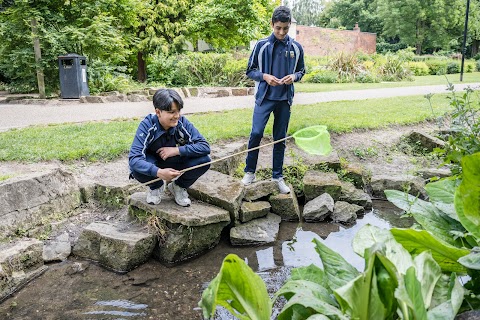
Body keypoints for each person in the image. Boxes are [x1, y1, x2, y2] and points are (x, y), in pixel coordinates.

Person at [242, 5, 305, 194]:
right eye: (278, 28)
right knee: (256, 134)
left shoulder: (296, 47)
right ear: (272, 24)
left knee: (280, 139)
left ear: (289, 26)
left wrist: (293, 77)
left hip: (284, 99)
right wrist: (265, 77)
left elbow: (301, 71)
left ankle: (277, 176)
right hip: (265, 98)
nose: (281, 32)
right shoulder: (261, 46)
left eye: (285, 28)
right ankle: (249, 172)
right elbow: (249, 71)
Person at [129, 89, 211, 207]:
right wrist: (158, 172)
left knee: (204, 160)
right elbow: (134, 158)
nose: (176, 116)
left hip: (173, 159)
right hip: (153, 163)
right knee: (135, 168)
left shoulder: (182, 122)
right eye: (171, 112)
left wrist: (177, 150)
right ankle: (156, 187)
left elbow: (204, 146)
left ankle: (178, 186)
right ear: (158, 112)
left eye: (178, 111)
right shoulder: (147, 125)